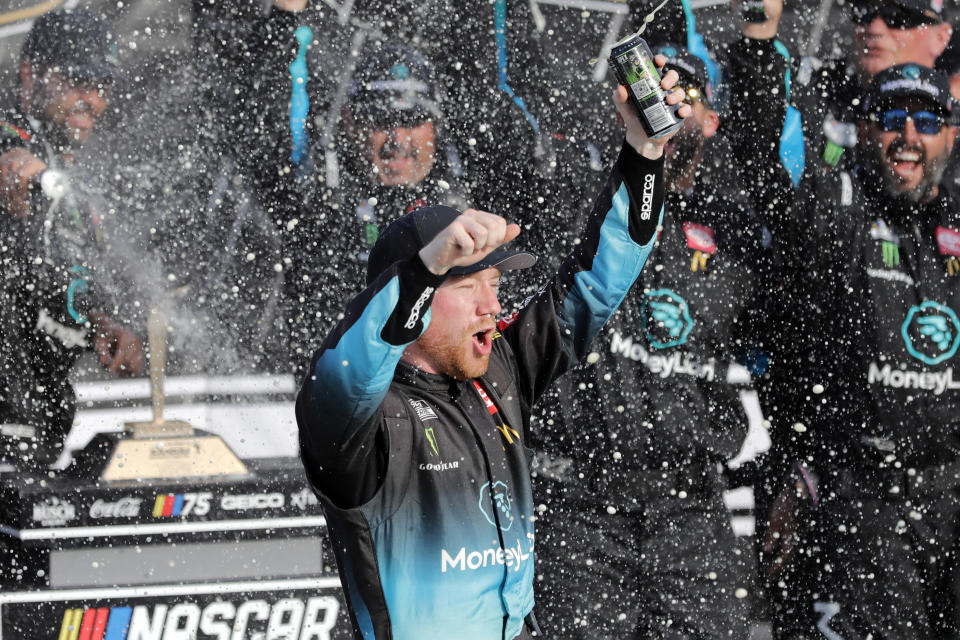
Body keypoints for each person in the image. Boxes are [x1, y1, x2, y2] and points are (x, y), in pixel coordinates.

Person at [295, 59, 690, 639]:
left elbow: (596, 283)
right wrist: (425, 269)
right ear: (419, 300)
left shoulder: (496, 370)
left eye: (496, 284)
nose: (492, 306)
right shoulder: (364, 421)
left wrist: (643, 152)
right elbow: (341, 378)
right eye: (468, 286)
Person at [531, 45, 771, 640]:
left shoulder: (736, 232)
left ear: (712, 118)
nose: (668, 100)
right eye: (654, 89)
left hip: (691, 512)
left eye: (684, 91)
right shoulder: (580, 197)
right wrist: (640, 144)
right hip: (580, 505)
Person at [760, 64, 960, 639]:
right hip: (858, 497)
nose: (909, 135)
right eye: (891, 118)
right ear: (865, 132)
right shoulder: (836, 209)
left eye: (927, 120)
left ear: (950, 135)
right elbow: (765, 157)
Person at [0, 9, 144, 471]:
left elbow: (65, 275)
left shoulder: (80, 172)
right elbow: (12, 161)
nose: (91, 99)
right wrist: (23, 169)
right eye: (76, 81)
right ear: (31, 77)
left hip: (39, 428)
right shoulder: (13, 134)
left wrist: (102, 323)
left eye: (101, 87)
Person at [725, 0, 952, 213]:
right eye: (864, 12)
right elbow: (759, 154)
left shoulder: (952, 121)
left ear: (941, 37)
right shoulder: (812, 85)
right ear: (864, 130)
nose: (873, 28)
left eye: (897, 17)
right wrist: (758, 31)